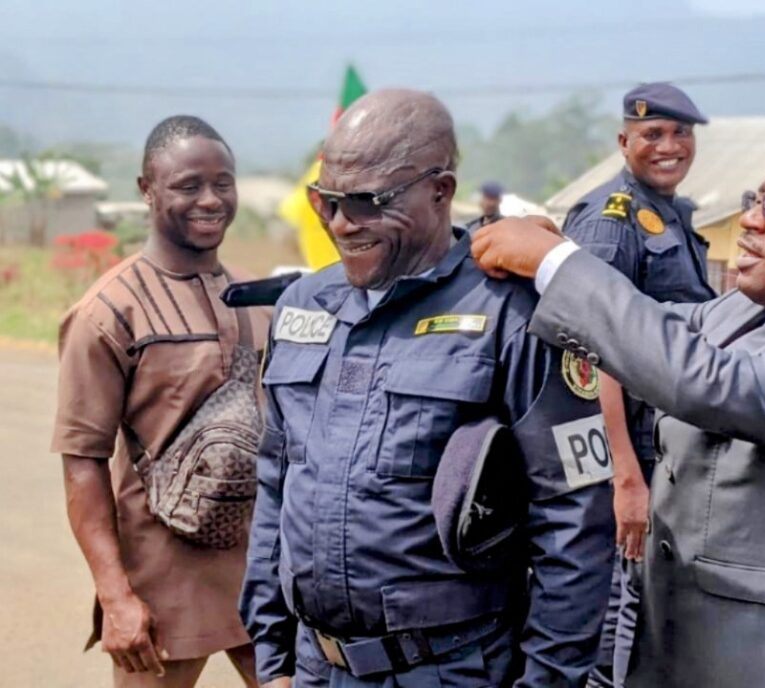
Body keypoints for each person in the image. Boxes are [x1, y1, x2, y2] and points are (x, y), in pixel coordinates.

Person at [472, 143, 765, 688]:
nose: (752, 220)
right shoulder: (753, 308)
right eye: (754, 199)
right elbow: (646, 333)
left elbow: (703, 381)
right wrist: (557, 258)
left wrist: (558, 265)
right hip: (684, 648)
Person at [240, 89, 614, 688]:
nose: (342, 223)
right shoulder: (303, 307)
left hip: (450, 670)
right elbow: (276, 485)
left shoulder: (511, 312)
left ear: (439, 190)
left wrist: (547, 680)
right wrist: (274, 656)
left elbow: (574, 518)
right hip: (316, 669)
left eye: (369, 202)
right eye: (328, 202)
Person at [52, 115, 267, 687]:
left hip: (263, 575)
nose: (211, 200)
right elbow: (82, 462)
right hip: (161, 583)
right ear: (146, 189)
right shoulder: (107, 312)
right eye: (188, 185)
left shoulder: (259, 298)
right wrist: (116, 596)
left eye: (224, 183)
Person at [559, 82, 715, 688]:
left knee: (646, 599)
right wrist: (624, 475)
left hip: (662, 440)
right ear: (624, 141)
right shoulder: (611, 219)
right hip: (628, 448)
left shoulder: (670, 211)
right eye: (653, 134)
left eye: (681, 134)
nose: (670, 146)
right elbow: (590, 352)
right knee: (617, 604)